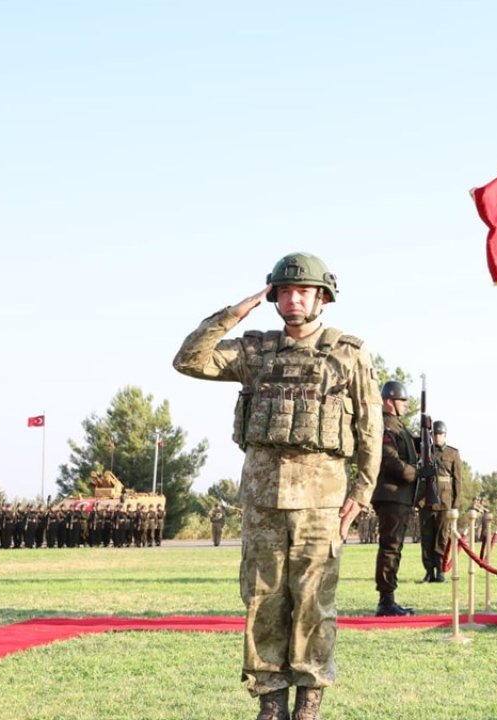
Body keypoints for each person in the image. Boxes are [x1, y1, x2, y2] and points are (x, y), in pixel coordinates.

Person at [173, 252, 380, 720]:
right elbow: (188, 359)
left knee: (313, 604)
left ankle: (309, 703)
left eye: (302, 291)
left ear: (322, 297)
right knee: (262, 602)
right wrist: (236, 311)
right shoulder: (254, 351)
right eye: (284, 291)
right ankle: (270, 704)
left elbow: (370, 431)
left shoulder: (348, 353)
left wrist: (359, 497)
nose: (293, 299)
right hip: (263, 502)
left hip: (323, 504)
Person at [372, 380, 419, 617]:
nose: (406, 404)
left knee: (395, 547)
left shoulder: (398, 427)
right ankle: (385, 601)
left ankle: (389, 597)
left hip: (399, 496)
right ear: (390, 401)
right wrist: (415, 472)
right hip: (391, 494)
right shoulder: (386, 427)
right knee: (390, 547)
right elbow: (391, 462)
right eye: (402, 400)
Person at [416, 420, 461, 583]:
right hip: (426, 501)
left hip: (444, 502)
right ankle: (429, 572)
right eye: (434, 434)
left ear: (445, 435)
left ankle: (440, 570)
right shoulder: (424, 452)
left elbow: (457, 481)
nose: (437, 437)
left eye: (439, 434)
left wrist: (455, 505)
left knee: (442, 538)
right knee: (427, 538)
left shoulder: (452, 454)